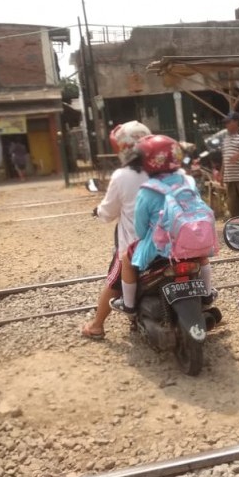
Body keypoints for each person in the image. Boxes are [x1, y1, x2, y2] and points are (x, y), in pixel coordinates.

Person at [110, 134, 215, 314]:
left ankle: (128, 305)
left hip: (158, 247)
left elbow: (141, 229)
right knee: (202, 257)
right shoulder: (188, 181)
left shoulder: (148, 190)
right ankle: (206, 295)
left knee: (126, 260)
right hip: (189, 240)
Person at [81, 121, 151, 339]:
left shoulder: (122, 176)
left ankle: (97, 326)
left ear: (123, 148)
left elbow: (108, 212)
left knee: (114, 279)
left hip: (134, 246)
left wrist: (98, 212)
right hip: (171, 242)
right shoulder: (163, 171)